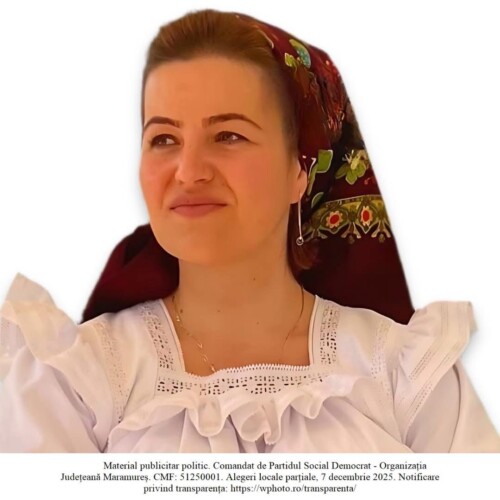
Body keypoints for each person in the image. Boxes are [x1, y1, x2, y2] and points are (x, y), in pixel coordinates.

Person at [0, 8, 499, 453]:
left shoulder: (406, 375)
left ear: (299, 170)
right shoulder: (77, 380)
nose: (188, 171)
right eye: (164, 138)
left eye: (228, 135)